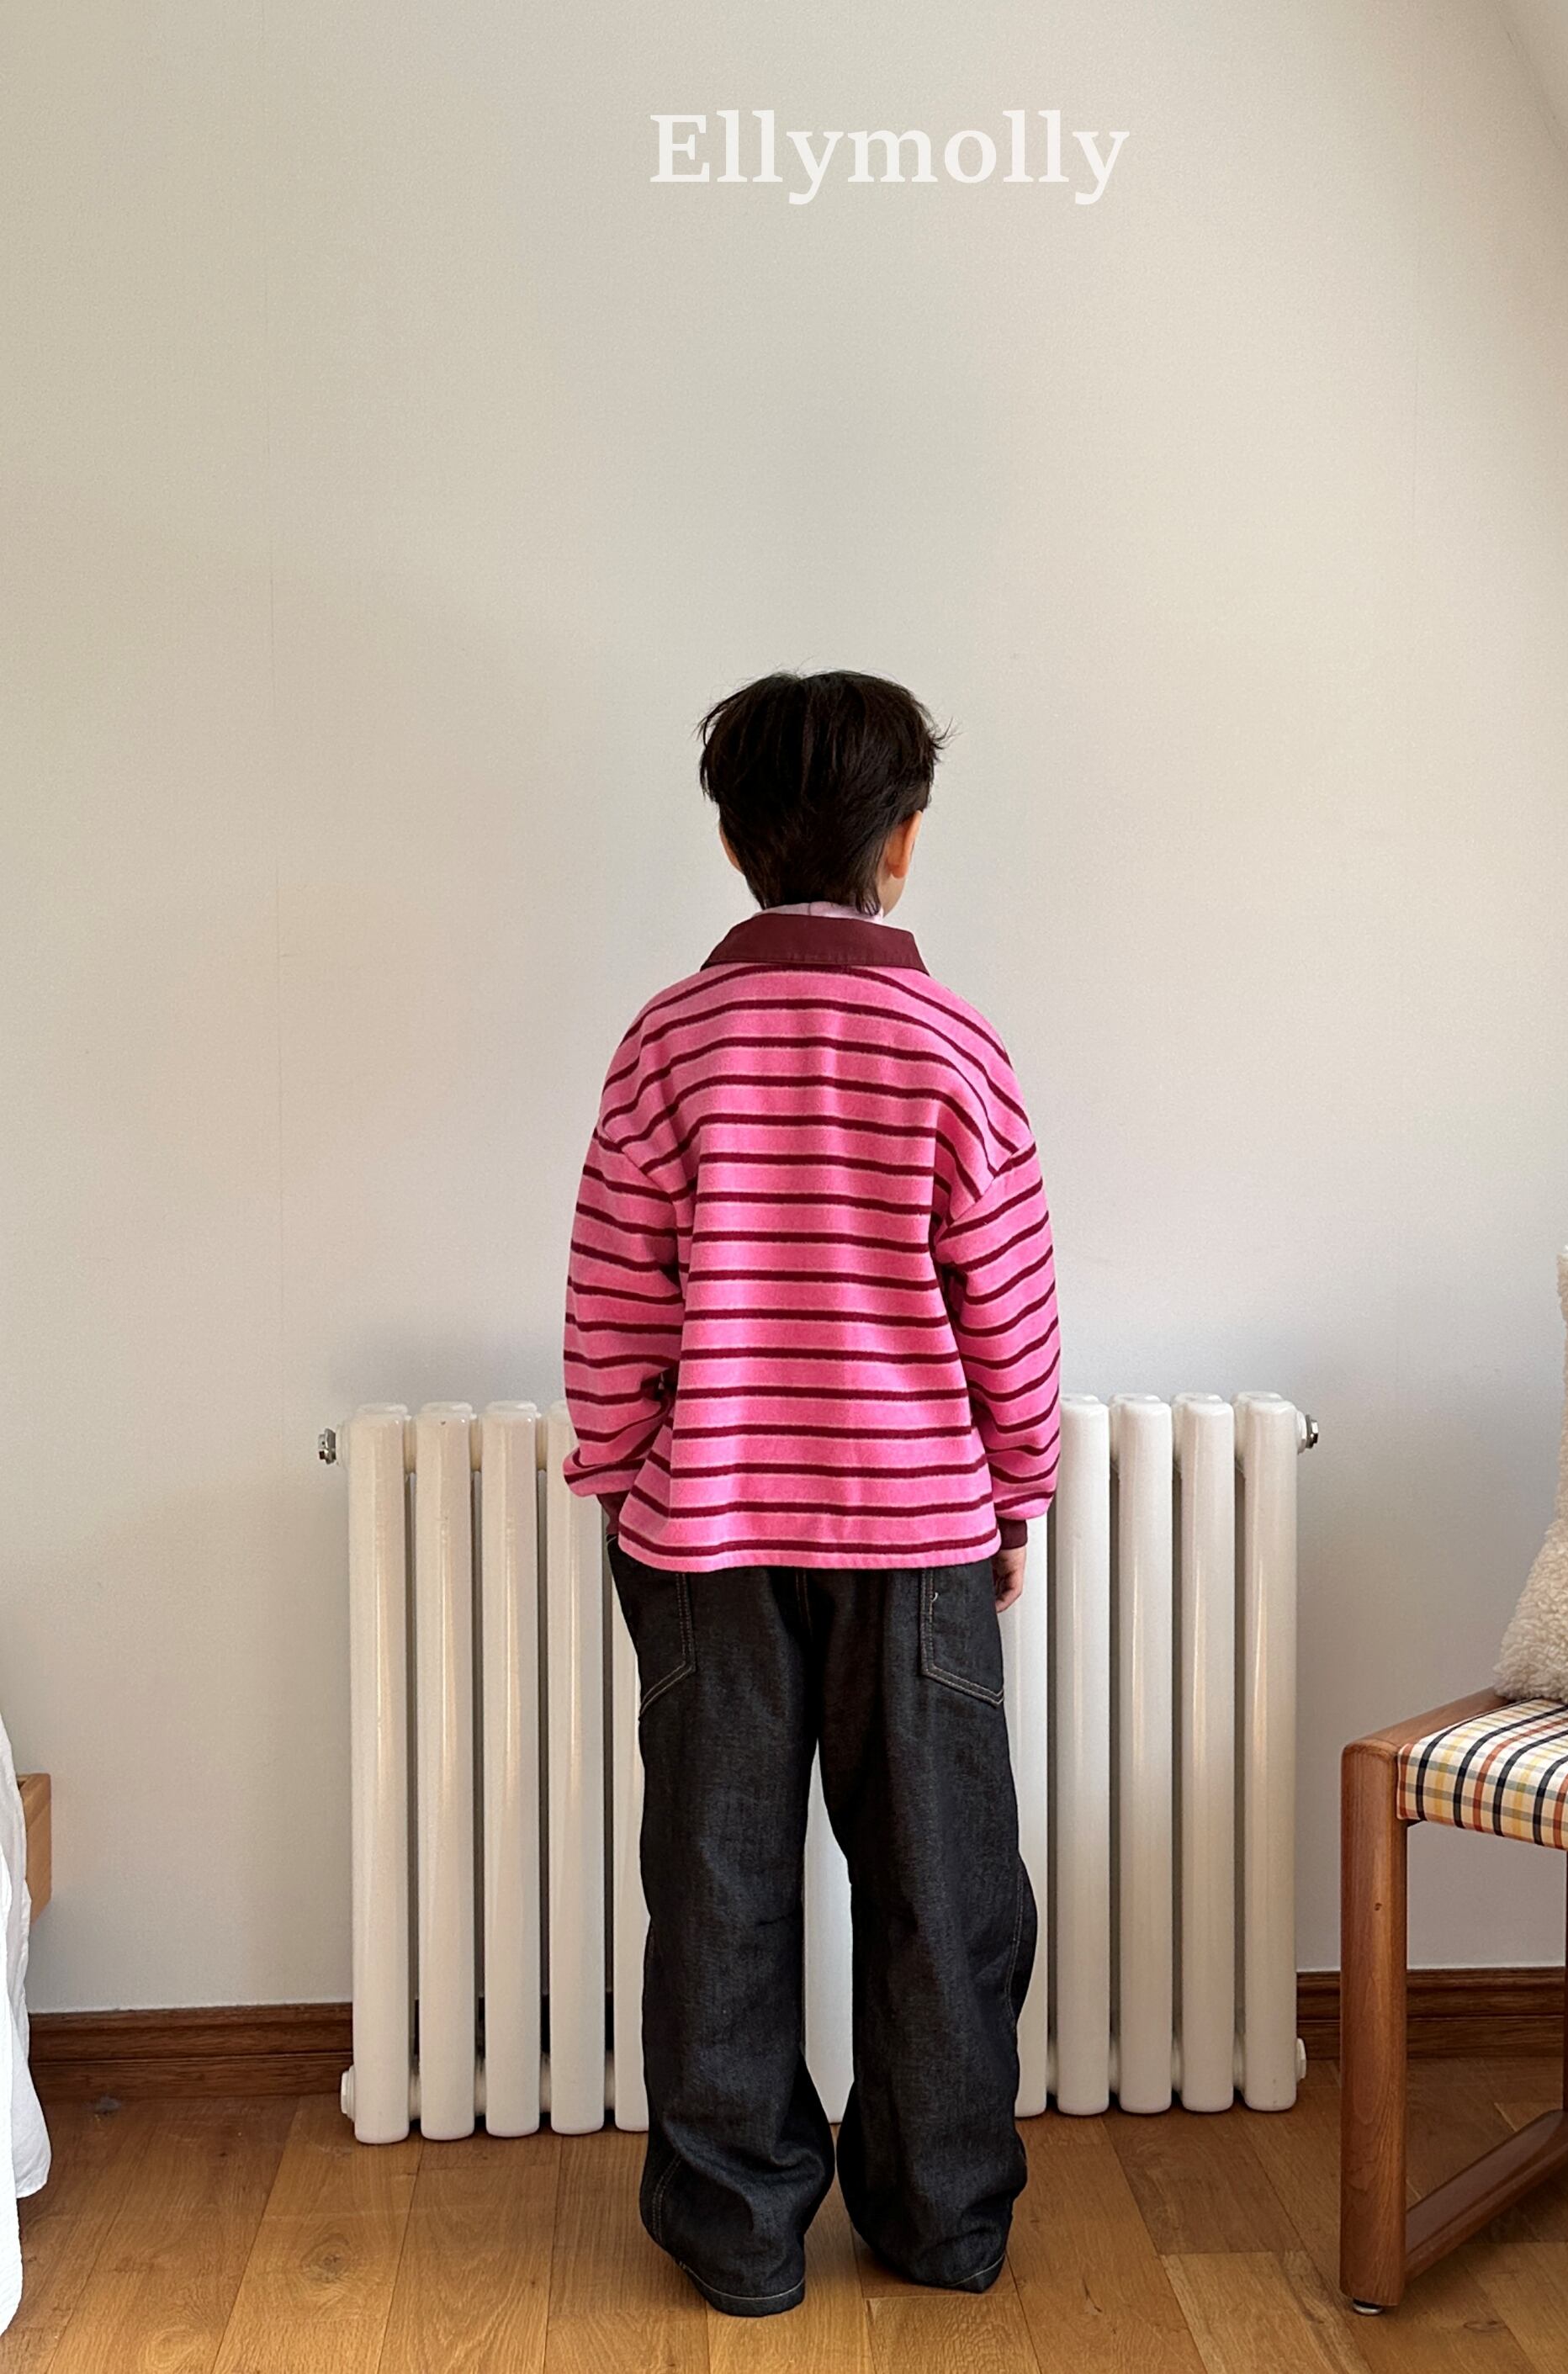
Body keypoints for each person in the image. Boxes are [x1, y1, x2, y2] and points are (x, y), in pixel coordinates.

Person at [561, 669, 1062, 2316]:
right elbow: (1008, 1309)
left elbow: (615, 1296)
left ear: (732, 844)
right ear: (902, 843)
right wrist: (1016, 1492)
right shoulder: (954, 1043)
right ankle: (941, 2216)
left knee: (719, 1893)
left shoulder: (667, 1042)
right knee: (943, 1886)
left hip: (703, 1541)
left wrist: (622, 1472)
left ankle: (738, 2232)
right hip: (917, 1542)